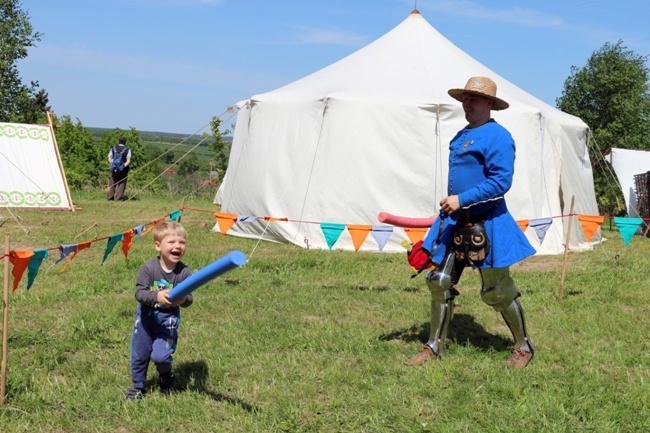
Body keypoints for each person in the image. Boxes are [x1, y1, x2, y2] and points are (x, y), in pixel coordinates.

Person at [406, 76, 537, 368]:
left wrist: (461, 199)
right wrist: (457, 205)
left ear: (489, 103)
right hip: (456, 222)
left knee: (496, 291)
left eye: (474, 99)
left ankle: (524, 346)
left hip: (487, 222)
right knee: (439, 281)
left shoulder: (499, 136)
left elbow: (501, 181)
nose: (468, 103)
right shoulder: (462, 135)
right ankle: (434, 345)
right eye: (465, 98)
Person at [125, 220, 193, 400]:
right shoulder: (149, 268)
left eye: (182, 242)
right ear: (158, 246)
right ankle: (138, 387)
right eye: (171, 242)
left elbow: (189, 299)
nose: (177, 246)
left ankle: (166, 376)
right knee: (140, 354)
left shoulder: (184, 272)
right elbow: (139, 293)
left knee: (161, 356)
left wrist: (183, 299)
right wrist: (156, 296)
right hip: (146, 320)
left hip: (167, 320)